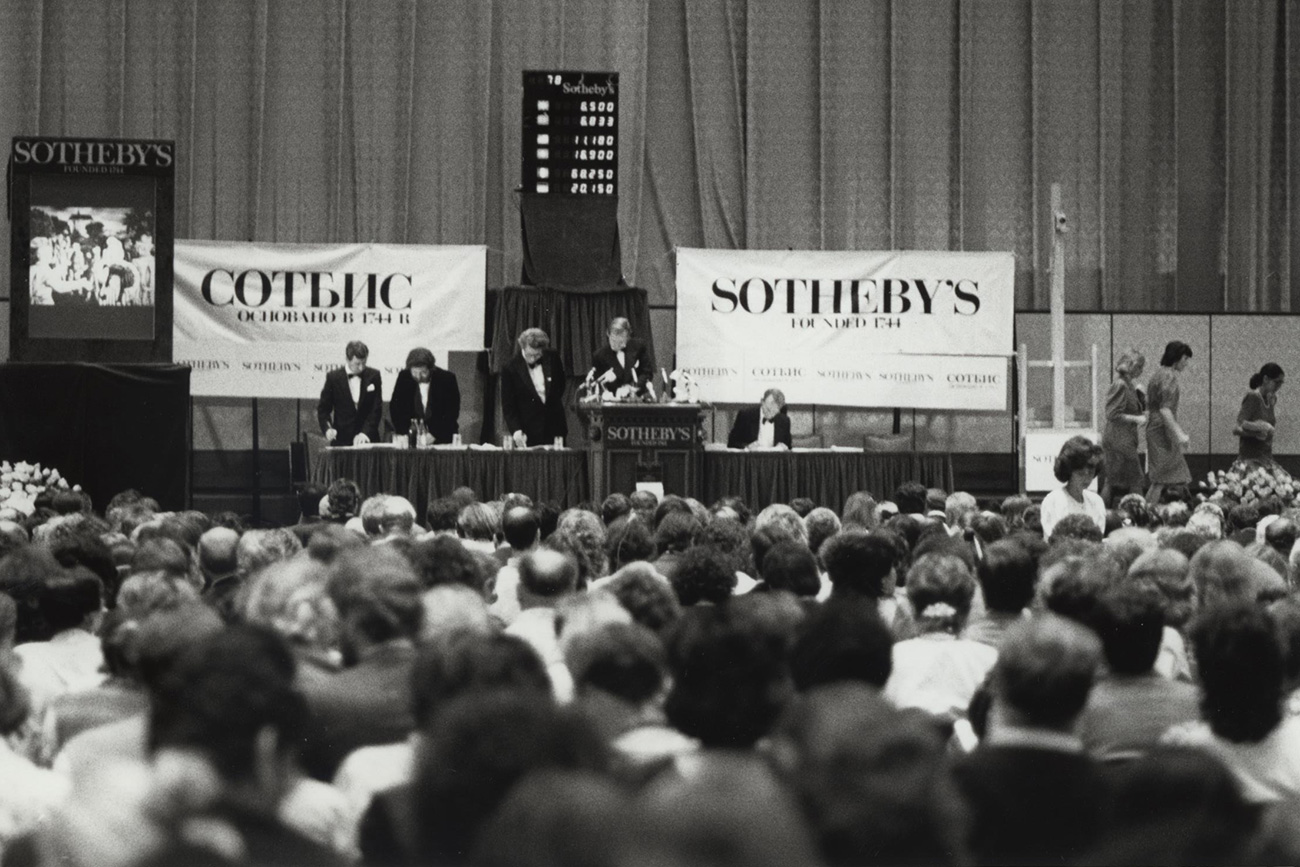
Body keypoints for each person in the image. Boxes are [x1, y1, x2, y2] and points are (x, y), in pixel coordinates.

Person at [501, 327, 567, 448]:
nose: (533, 359)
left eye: (537, 355)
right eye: (530, 354)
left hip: (555, 428)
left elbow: (560, 386)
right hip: (527, 432)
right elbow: (508, 406)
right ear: (523, 347)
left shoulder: (552, 357)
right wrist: (516, 431)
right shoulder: (509, 368)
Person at [1145, 340, 1193, 505]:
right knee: (1165, 479)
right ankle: (1148, 513)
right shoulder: (1169, 376)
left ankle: (1146, 512)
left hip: (1155, 427)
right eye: (1185, 359)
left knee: (1162, 479)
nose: (1186, 363)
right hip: (1162, 430)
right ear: (1178, 358)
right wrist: (1180, 435)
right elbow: (1165, 410)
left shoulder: (1158, 374)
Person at [1102, 349, 1147, 505]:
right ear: (1131, 366)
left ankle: (1104, 515)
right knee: (1135, 479)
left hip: (1121, 438)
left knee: (1112, 480)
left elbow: (1133, 408)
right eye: (1140, 366)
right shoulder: (1120, 384)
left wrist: (1140, 396)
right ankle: (1141, 516)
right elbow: (1112, 414)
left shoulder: (1128, 385)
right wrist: (1137, 419)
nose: (1142, 370)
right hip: (1119, 439)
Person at [317, 340, 383, 446]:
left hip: (368, 439)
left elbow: (376, 409)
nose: (361, 367)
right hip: (342, 440)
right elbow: (323, 410)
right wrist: (328, 429)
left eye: (364, 363)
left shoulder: (374, 376)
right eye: (357, 364)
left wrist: (365, 434)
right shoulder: (333, 378)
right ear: (347, 359)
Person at [389, 347, 461, 444]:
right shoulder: (404, 377)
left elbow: (452, 412)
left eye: (423, 373)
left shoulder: (447, 379)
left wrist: (434, 434)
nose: (418, 377)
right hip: (410, 439)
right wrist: (406, 434)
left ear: (431, 369)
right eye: (414, 372)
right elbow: (396, 409)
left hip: (442, 438)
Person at [1039, 435, 1107, 539]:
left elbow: (1098, 538)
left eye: (1090, 472)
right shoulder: (1053, 500)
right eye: (1080, 473)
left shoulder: (1096, 501)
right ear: (1069, 471)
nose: (1086, 477)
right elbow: (1052, 539)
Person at [1233, 362, 1285, 469]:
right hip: (1250, 460)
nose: (1278, 387)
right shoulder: (1253, 397)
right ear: (1265, 379)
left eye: (1281, 383)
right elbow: (1236, 429)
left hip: (1266, 458)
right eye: (1277, 382)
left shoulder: (1272, 399)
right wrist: (1256, 433)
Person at [589, 316, 652, 396]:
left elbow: (647, 373)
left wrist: (631, 388)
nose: (616, 344)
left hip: (638, 400)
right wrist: (606, 392)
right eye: (613, 340)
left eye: (621, 341)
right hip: (613, 401)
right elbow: (598, 383)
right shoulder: (599, 356)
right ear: (608, 333)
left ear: (628, 337)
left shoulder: (639, 347)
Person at [727, 388, 792, 450]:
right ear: (762, 402)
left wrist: (784, 447)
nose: (770, 414)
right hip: (750, 460)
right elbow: (731, 443)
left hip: (774, 460)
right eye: (768, 409)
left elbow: (788, 446)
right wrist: (747, 447)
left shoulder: (784, 421)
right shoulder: (746, 416)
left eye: (774, 412)